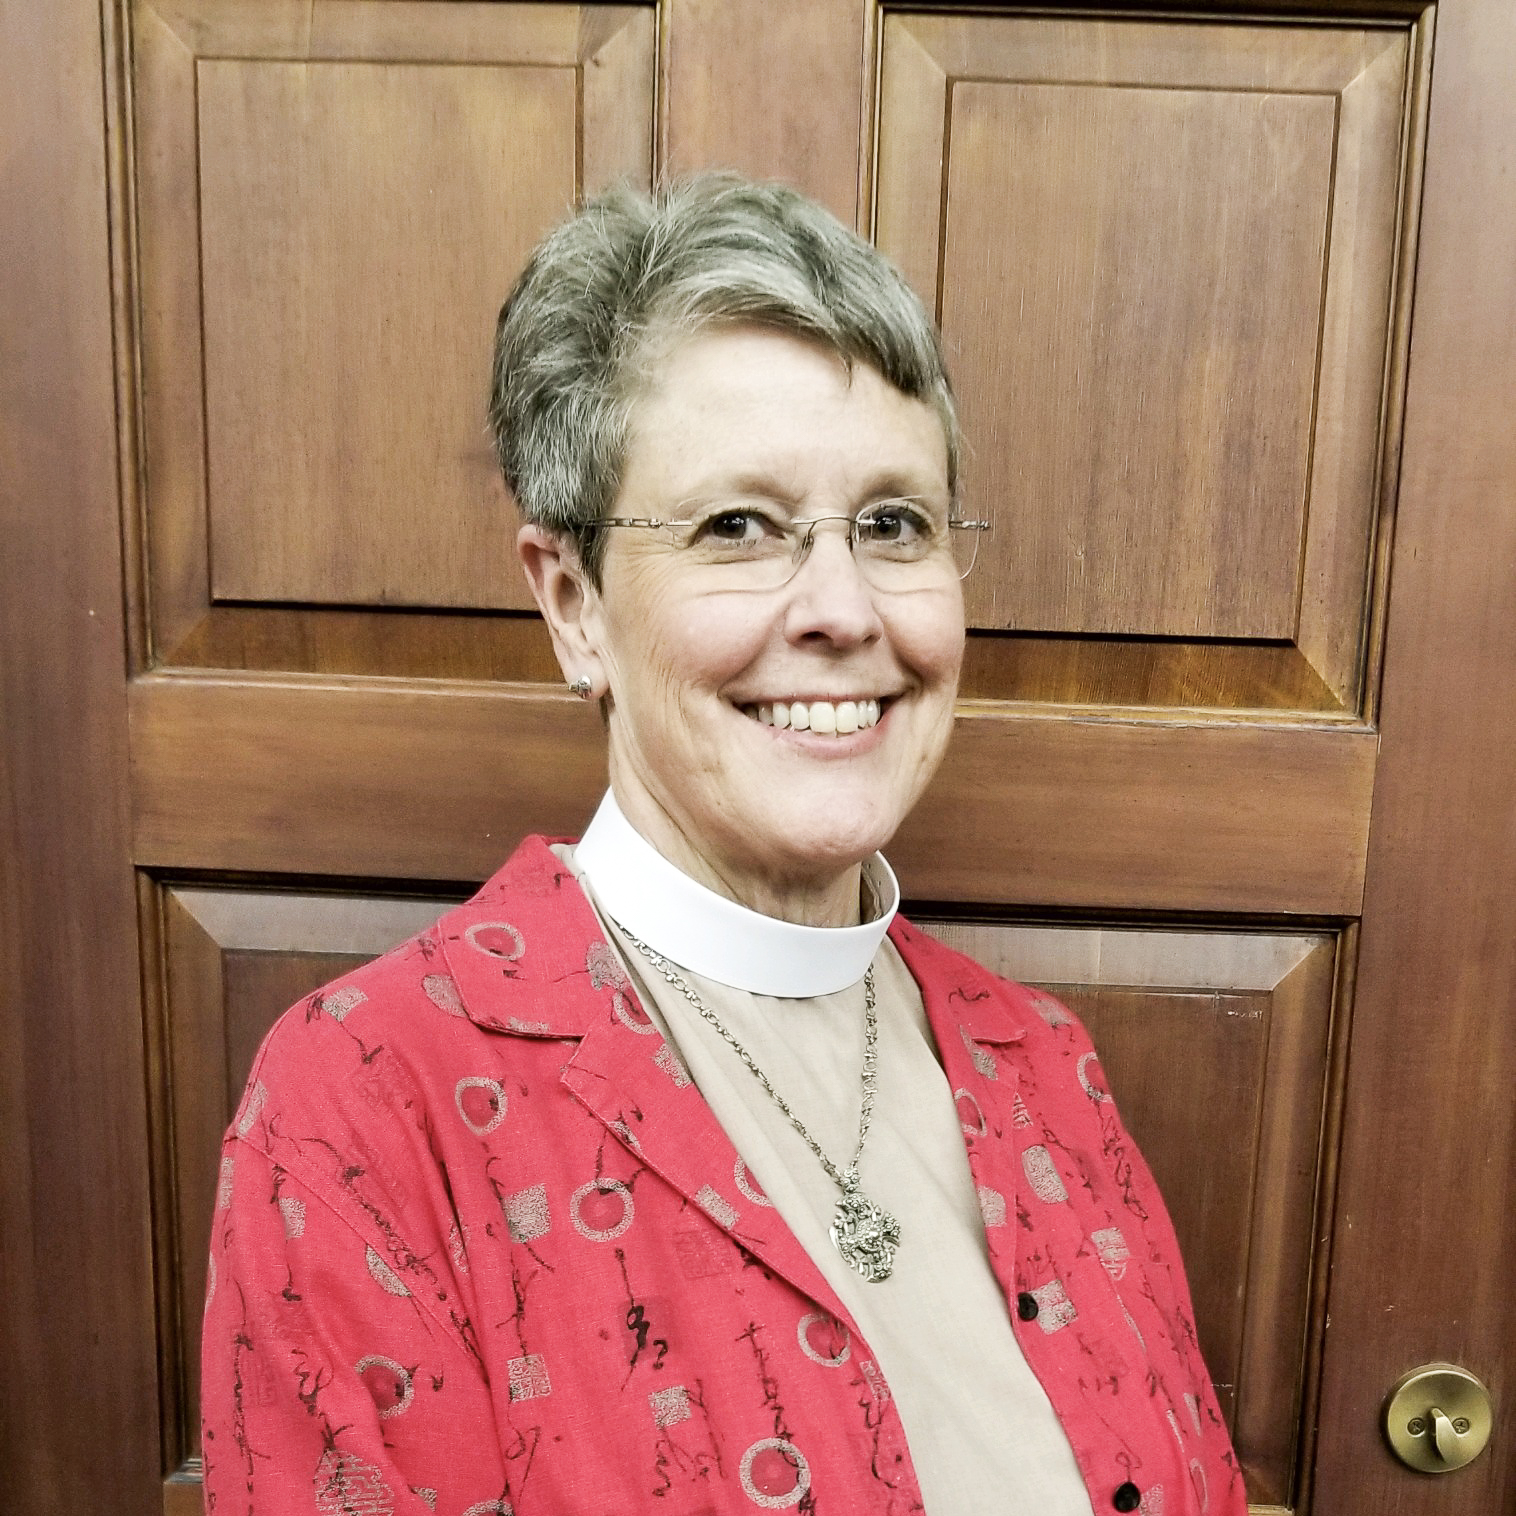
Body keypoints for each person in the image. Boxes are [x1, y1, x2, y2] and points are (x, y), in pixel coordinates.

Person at [201, 174, 1245, 1516]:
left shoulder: (1047, 1068)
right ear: (573, 603)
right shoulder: (365, 1108)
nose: (842, 609)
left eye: (893, 524)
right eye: (737, 527)